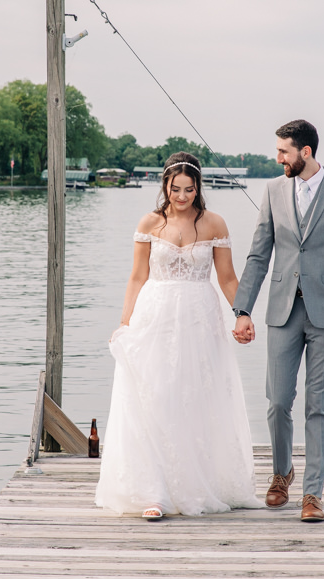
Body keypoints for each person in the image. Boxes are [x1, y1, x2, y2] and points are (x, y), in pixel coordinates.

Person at [95, 152, 262, 520]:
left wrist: (243, 314)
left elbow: (228, 279)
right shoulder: (150, 223)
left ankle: (198, 484)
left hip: (201, 320)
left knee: (197, 398)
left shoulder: (215, 223)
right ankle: (154, 493)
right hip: (156, 318)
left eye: (189, 189)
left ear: (199, 187)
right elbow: (137, 277)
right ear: (165, 187)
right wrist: (125, 323)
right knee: (156, 397)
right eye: (175, 189)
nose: (182, 196)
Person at [233, 120, 324, 523]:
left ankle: (313, 494)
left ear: (305, 152)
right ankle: (281, 473)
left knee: (319, 406)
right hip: (281, 312)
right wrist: (243, 310)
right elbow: (259, 254)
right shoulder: (273, 190)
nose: (278, 159)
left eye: (283, 152)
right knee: (277, 402)